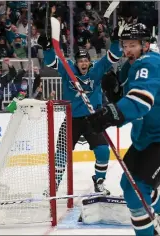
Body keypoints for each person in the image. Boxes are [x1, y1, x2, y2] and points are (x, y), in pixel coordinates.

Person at [85, 23, 160, 236]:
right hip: (150, 136)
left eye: (133, 45)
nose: (128, 50)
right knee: (129, 186)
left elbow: (140, 103)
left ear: (145, 45)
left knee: (138, 191)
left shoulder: (149, 63)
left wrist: (110, 114)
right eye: (125, 45)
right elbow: (133, 104)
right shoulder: (132, 66)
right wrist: (117, 98)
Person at [38, 22, 122, 195]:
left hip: (94, 119)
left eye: (86, 60)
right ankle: (54, 185)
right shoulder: (67, 67)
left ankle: (99, 182)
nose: (83, 63)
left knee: (103, 152)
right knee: (61, 153)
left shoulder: (96, 69)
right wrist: (47, 48)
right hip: (72, 120)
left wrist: (115, 41)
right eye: (80, 61)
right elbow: (51, 61)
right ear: (76, 62)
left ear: (90, 62)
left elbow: (113, 56)